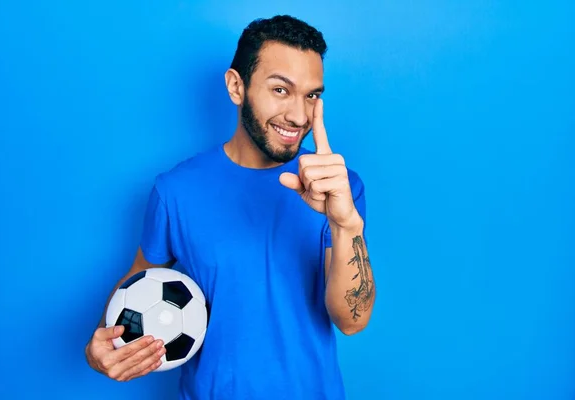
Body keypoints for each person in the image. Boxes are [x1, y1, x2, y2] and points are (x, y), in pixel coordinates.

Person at [85, 14, 376, 400]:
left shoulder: (337, 188)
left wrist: (345, 224)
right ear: (236, 87)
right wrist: (104, 348)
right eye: (280, 90)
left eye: (312, 95)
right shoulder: (175, 191)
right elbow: (137, 283)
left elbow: (352, 321)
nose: (299, 115)